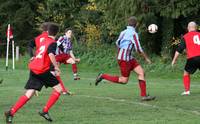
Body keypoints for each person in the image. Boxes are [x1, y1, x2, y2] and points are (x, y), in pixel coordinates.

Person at [5, 23, 62, 123]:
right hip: (42, 70)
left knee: (30, 93)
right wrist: (56, 67)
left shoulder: (43, 40)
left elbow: (35, 47)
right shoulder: (53, 42)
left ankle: (11, 112)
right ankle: (45, 111)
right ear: (56, 33)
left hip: (34, 68)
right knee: (59, 89)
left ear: (48, 32)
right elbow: (51, 54)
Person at [95, 16, 155, 101]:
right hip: (124, 60)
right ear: (136, 24)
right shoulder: (134, 34)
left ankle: (144, 96)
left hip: (129, 58)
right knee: (124, 80)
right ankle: (103, 76)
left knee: (141, 72)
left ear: (128, 23)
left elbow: (117, 43)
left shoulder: (123, 32)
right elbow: (138, 48)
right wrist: (146, 58)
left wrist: (119, 54)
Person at [28, 22, 71, 95]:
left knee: (39, 75)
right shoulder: (50, 38)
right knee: (53, 74)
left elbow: (30, 45)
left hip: (38, 60)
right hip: (46, 61)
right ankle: (62, 90)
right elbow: (59, 45)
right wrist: (62, 53)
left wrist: (32, 55)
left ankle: (34, 89)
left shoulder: (38, 38)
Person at [172, 21, 200, 95]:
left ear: (188, 28)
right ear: (196, 28)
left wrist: (174, 60)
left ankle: (187, 91)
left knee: (186, 72)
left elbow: (179, 49)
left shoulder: (186, 36)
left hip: (192, 58)